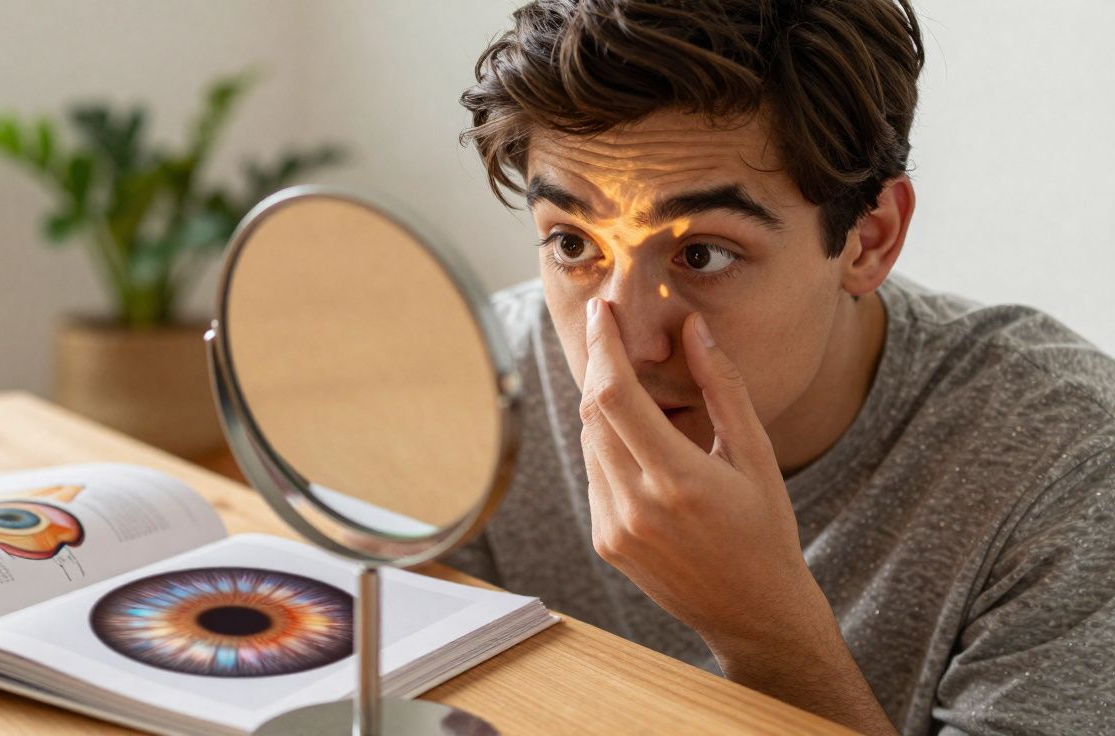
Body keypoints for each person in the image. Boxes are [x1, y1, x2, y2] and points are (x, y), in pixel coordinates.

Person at [446, 1, 1115, 734]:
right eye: (573, 244)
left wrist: (763, 630)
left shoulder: (1070, 470)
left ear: (869, 239)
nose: (631, 345)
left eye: (702, 254)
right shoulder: (474, 388)